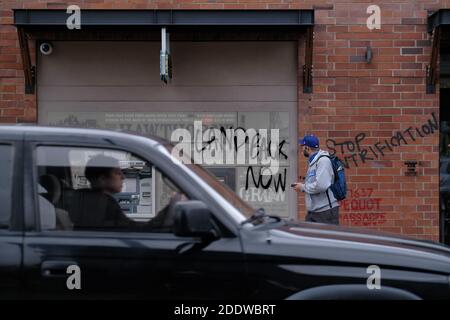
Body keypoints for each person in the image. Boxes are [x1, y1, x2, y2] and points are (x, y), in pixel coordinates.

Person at [65, 154, 134, 230]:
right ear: (102, 179)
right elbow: (127, 227)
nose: (123, 177)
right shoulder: (104, 203)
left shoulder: (81, 198)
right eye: (117, 173)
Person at [293, 134, 340, 225]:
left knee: (325, 239)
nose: (302, 149)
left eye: (303, 146)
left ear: (307, 148)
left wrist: (302, 187)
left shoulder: (323, 161)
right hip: (315, 211)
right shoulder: (314, 161)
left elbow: (321, 186)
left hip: (326, 212)